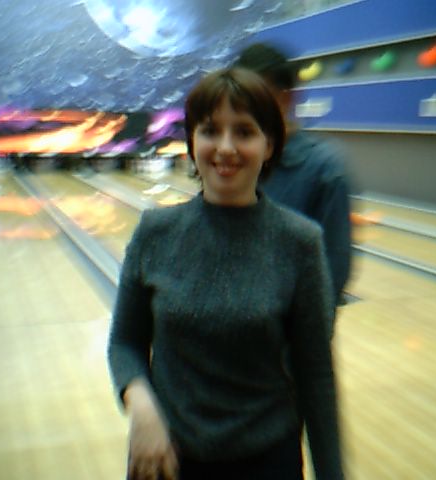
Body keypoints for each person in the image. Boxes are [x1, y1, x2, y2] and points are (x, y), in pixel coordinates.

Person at [108, 67, 344, 480]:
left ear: (269, 145)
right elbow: (125, 343)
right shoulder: (155, 233)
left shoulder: (299, 242)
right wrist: (142, 404)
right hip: (166, 457)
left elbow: (316, 375)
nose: (226, 147)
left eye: (244, 132)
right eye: (210, 130)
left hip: (266, 461)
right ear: (192, 141)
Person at [234, 42, 352, 305]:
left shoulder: (324, 168)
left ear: (286, 97)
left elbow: (333, 272)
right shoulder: (232, 157)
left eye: (257, 96)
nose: (245, 107)